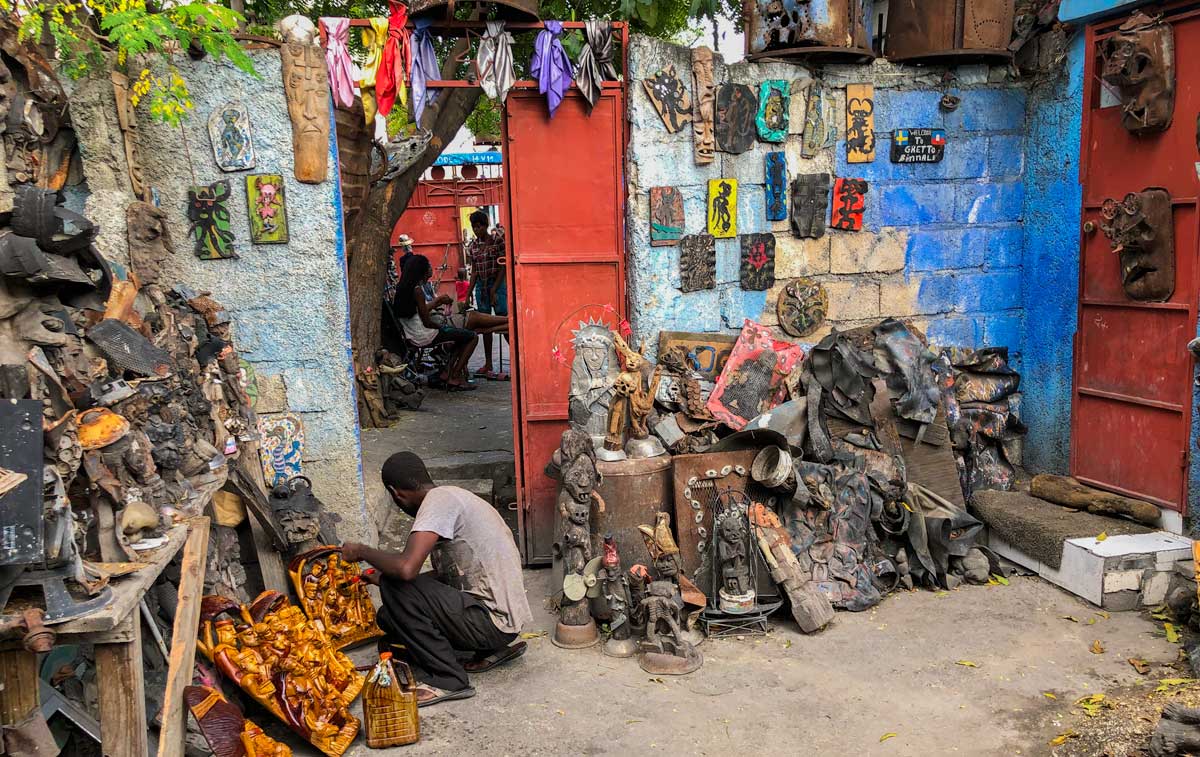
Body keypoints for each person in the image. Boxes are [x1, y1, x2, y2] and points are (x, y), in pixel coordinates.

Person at [342, 452, 532, 706]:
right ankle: (489, 651)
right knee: (388, 616)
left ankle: (449, 678)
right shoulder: (452, 496)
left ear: (395, 493)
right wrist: (380, 576)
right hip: (503, 623)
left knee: (396, 587)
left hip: (492, 622)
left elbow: (406, 570)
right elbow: (452, 576)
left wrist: (362, 551)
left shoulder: (438, 503)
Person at [394, 254, 508, 391]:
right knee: (472, 337)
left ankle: (448, 372)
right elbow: (427, 322)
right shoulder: (417, 290)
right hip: (423, 334)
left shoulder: (402, 288)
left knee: (463, 335)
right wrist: (441, 328)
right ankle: (454, 376)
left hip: (414, 333)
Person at [465, 210, 509, 380]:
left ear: (485, 225)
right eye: (474, 227)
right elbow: (474, 271)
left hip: (497, 285)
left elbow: (502, 267)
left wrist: (494, 289)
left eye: (479, 226)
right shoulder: (474, 246)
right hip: (481, 287)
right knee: (484, 326)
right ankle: (488, 363)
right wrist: (469, 293)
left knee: (504, 321)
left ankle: (517, 360)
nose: (477, 230)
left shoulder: (498, 241)